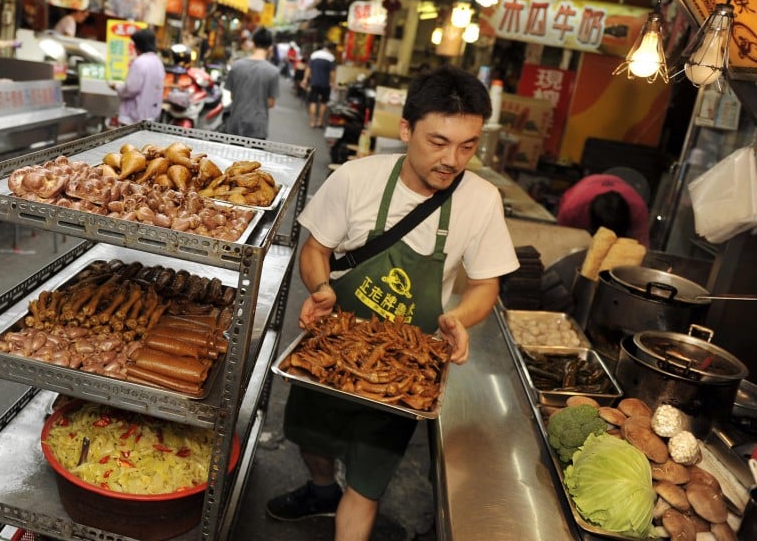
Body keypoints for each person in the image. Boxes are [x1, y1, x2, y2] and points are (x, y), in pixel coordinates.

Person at [266, 65, 519, 540]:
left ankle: (345, 502)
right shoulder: (356, 178)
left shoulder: (481, 201)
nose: (453, 160)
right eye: (438, 142)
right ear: (405, 129)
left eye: (468, 146)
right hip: (330, 349)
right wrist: (321, 290)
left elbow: (486, 285)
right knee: (310, 440)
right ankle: (321, 489)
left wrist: (459, 318)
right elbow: (316, 250)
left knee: (367, 483)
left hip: (404, 370)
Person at [556, 173, 650, 245]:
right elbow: (561, 241)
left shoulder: (638, 210)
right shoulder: (571, 209)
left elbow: (642, 246)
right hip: (582, 194)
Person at [222, 26, 280, 139]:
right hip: (257, 128)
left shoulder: (236, 65)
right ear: (270, 47)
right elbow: (271, 103)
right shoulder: (273, 71)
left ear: (252, 43)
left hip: (235, 124)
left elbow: (232, 96)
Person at [110, 28, 165, 125]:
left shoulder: (140, 62)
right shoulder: (158, 62)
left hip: (133, 118)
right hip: (150, 117)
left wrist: (117, 87)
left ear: (139, 45)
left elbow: (131, 89)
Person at [304, 41, 337, 128]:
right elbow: (332, 73)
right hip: (325, 84)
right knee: (323, 102)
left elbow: (308, 68)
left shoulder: (314, 55)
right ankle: (320, 121)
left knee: (313, 102)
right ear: (331, 49)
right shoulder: (331, 58)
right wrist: (333, 83)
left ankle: (312, 121)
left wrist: (305, 79)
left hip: (314, 82)